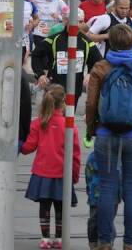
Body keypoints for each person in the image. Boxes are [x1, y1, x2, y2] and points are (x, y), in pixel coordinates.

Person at [85, 24, 132, 250]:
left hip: (107, 135)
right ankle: (130, 244)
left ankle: (105, 242)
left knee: (107, 188)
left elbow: (90, 103)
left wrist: (92, 130)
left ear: (112, 42)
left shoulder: (101, 67)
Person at [21, 84, 80, 250]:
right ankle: (60, 239)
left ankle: (45, 239)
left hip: (42, 172)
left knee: (44, 206)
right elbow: (75, 154)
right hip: (62, 174)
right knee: (60, 207)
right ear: (63, 104)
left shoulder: (39, 123)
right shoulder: (70, 126)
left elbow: (29, 147)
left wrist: (19, 146)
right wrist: (74, 176)